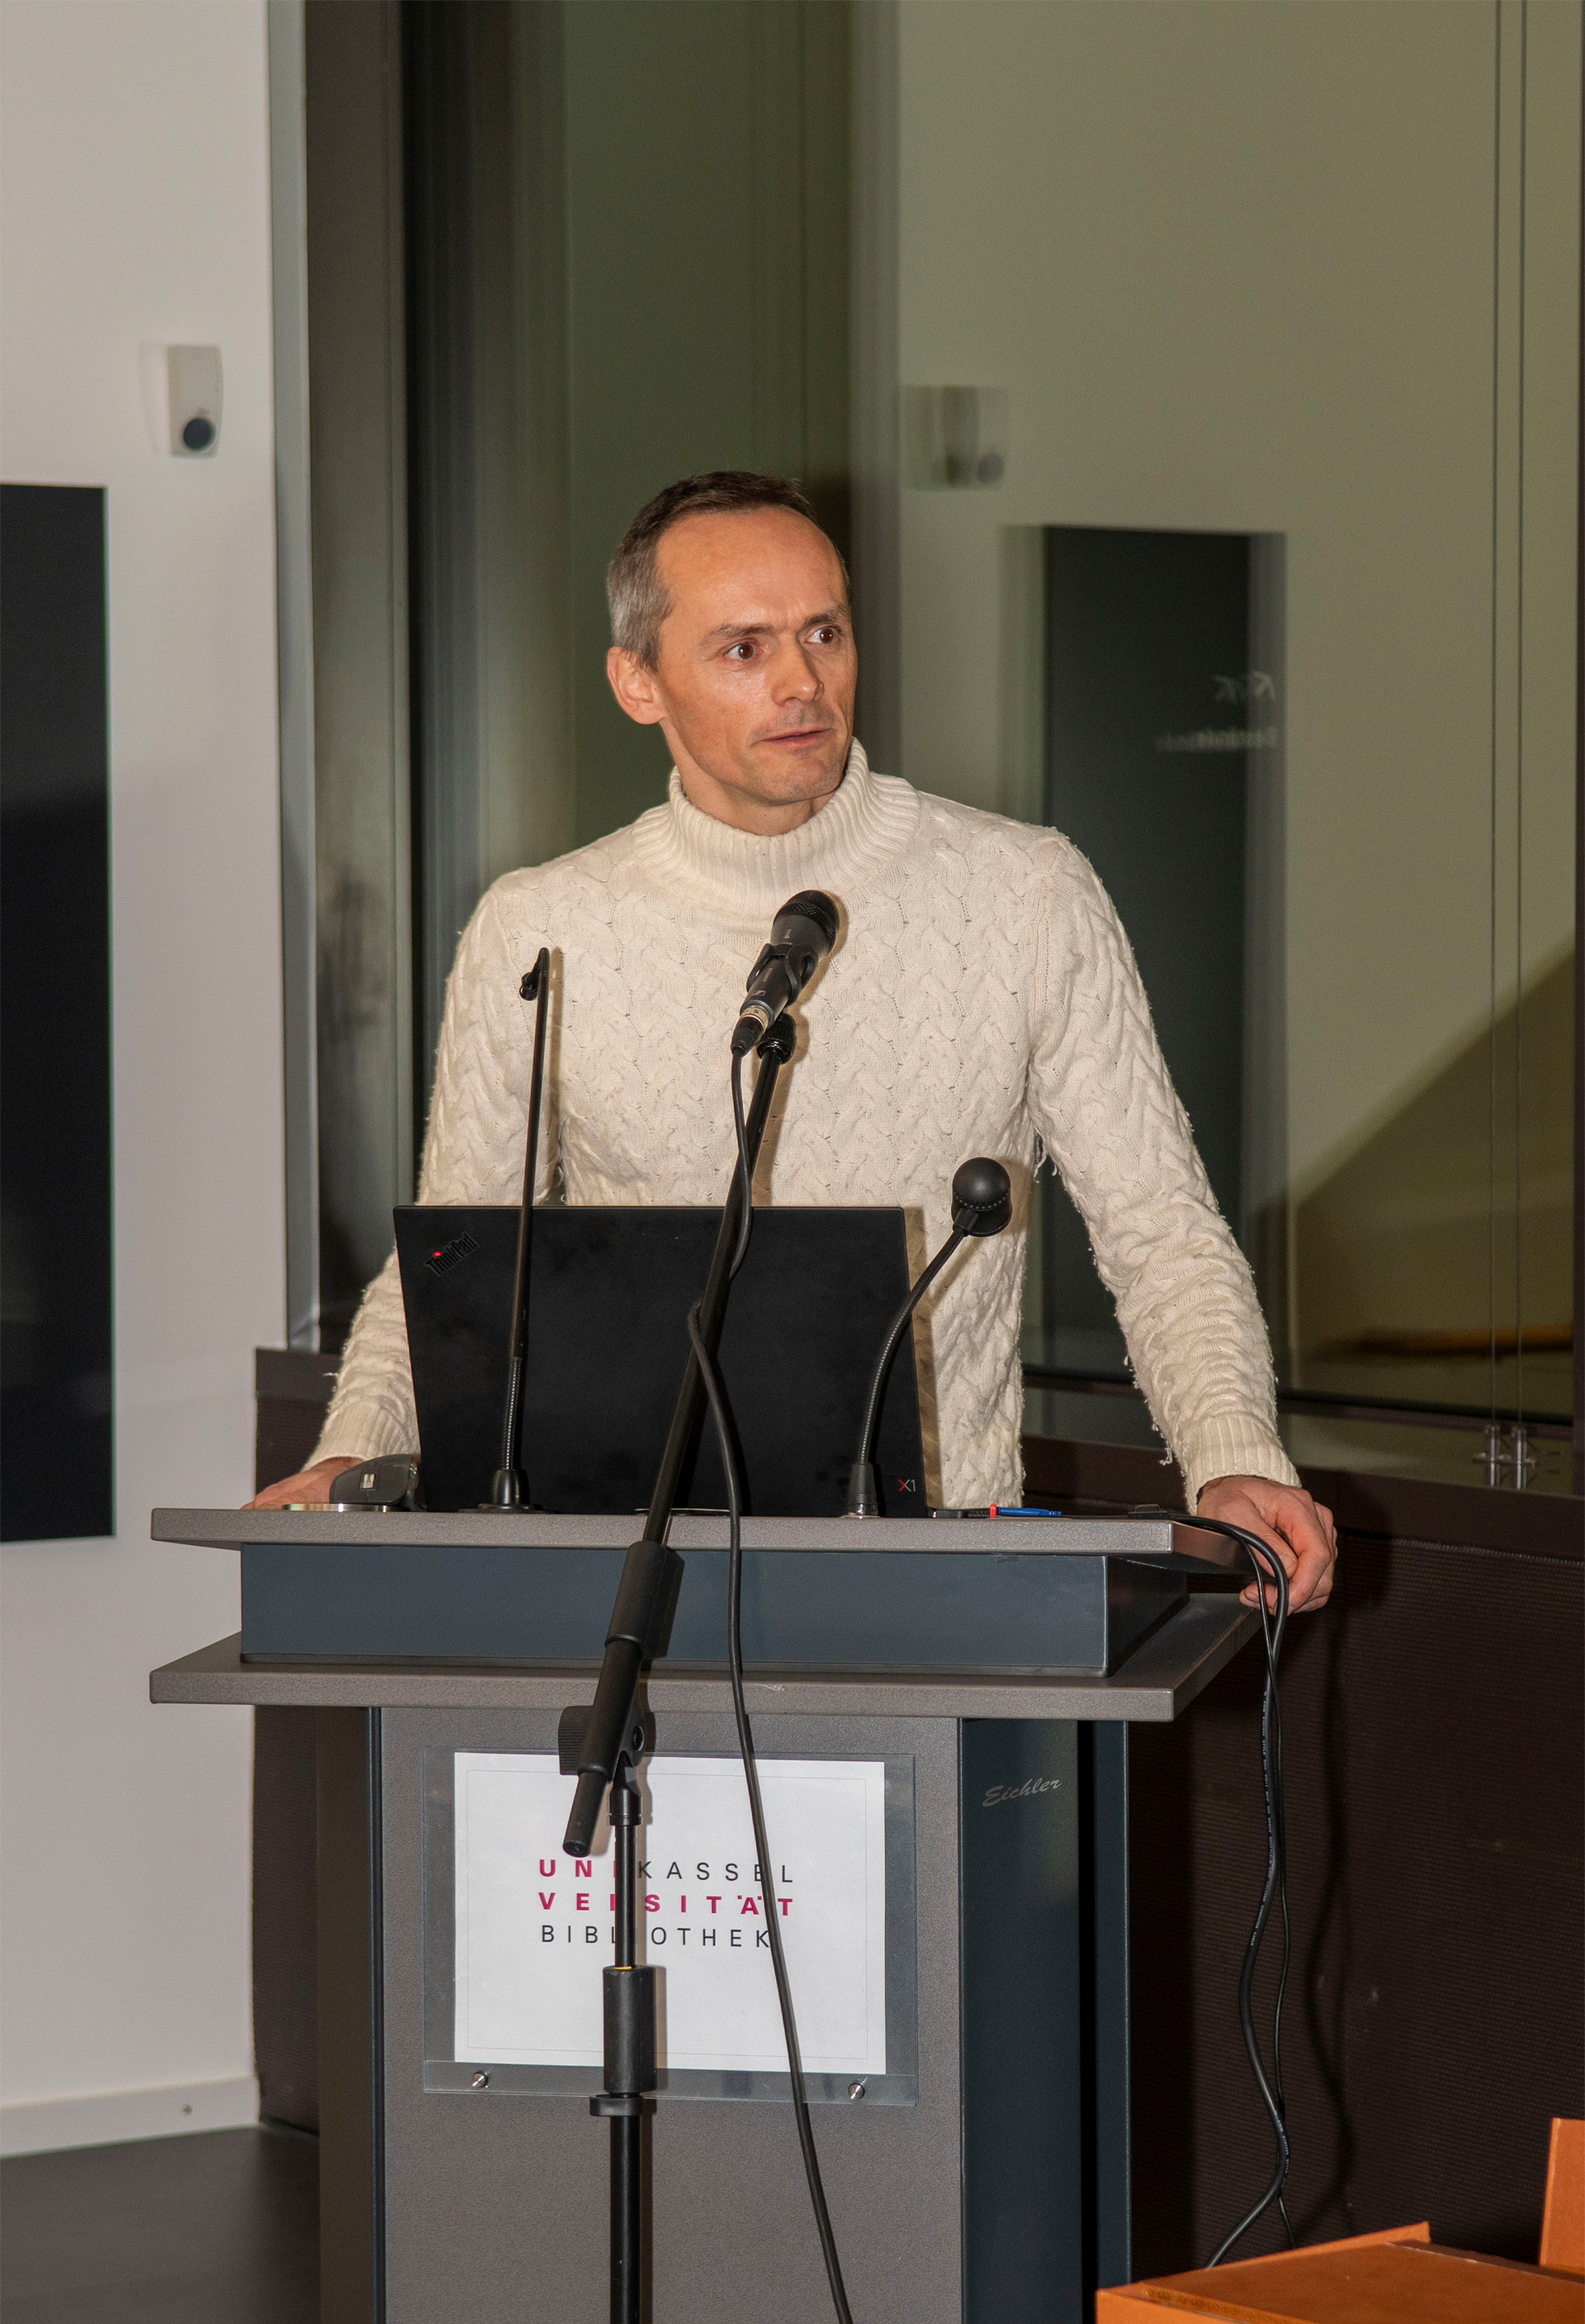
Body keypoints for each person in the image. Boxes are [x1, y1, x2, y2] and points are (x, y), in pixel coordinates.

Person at [255, 471, 1335, 1613]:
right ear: (637, 682)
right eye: (743, 648)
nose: (803, 682)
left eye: (825, 632)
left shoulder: (1026, 894)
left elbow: (1161, 1230)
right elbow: (452, 1269)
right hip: (634, 1577)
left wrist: (1234, 1455)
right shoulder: (542, 930)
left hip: (941, 1578)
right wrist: (352, 1458)